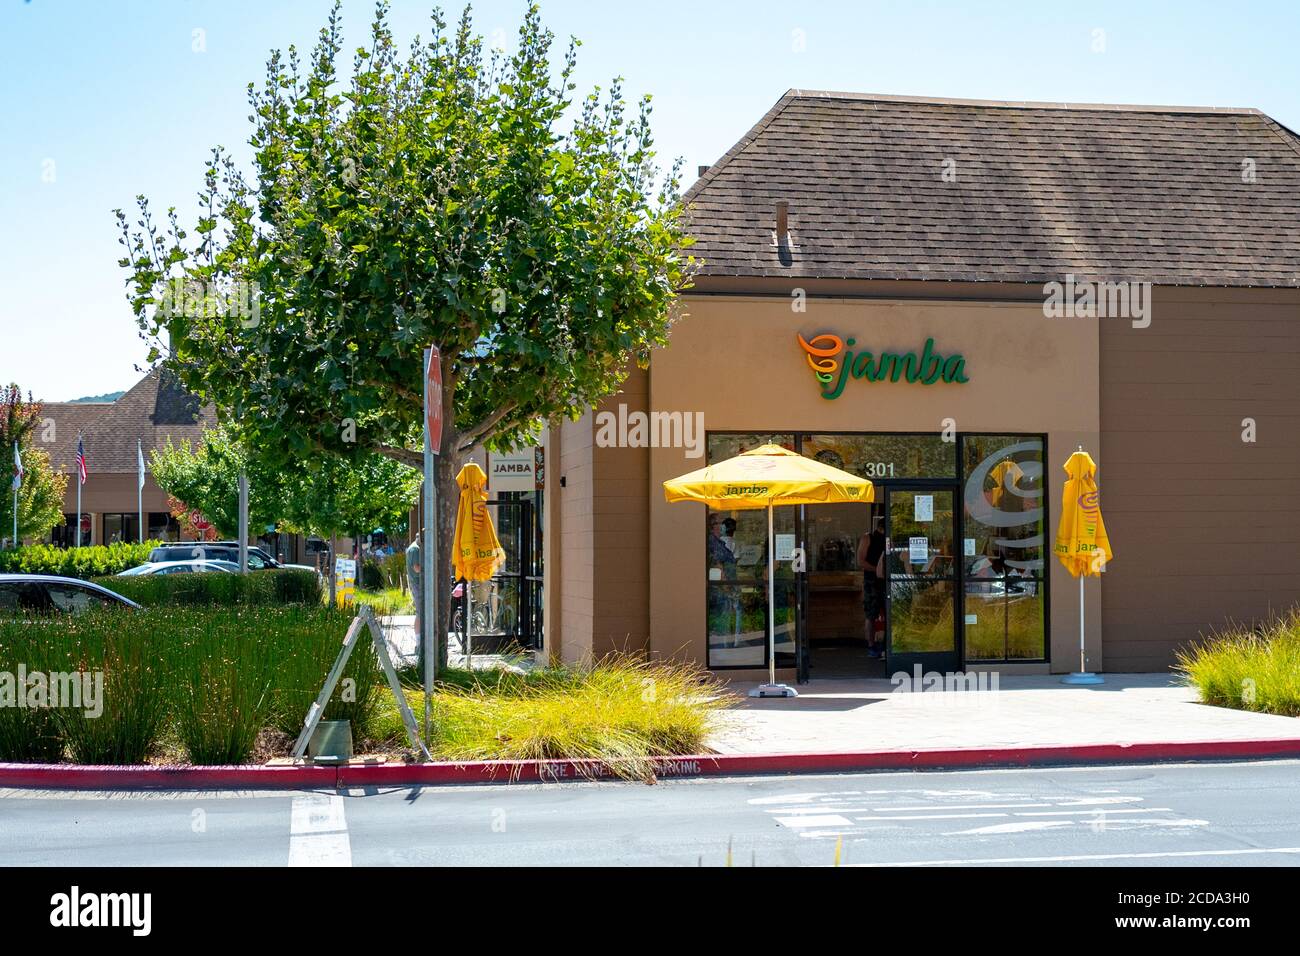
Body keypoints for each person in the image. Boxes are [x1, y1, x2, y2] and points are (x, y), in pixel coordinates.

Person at [857, 515, 887, 658]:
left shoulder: (888, 540)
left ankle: (886, 644)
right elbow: (861, 561)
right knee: (871, 614)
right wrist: (877, 569)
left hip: (886, 581)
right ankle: (871, 645)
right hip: (871, 581)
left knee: (888, 613)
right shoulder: (867, 538)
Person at [405, 537, 423, 639]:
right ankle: (418, 641)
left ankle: (420, 640)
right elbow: (417, 568)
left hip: (417, 584)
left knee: (420, 612)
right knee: (420, 612)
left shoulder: (414, 548)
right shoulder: (415, 549)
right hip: (417, 584)